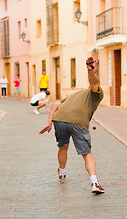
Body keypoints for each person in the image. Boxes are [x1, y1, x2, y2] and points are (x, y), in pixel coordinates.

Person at [39, 57, 105, 194]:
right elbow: (94, 82)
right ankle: (94, 182)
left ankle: (62, 173)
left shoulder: (75, 94)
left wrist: (49, 122)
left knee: (63, 147)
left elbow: (55, 105)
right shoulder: (97, 93)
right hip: (78, 122)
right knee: (87, 154)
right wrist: (91, 70)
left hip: (60, 119)